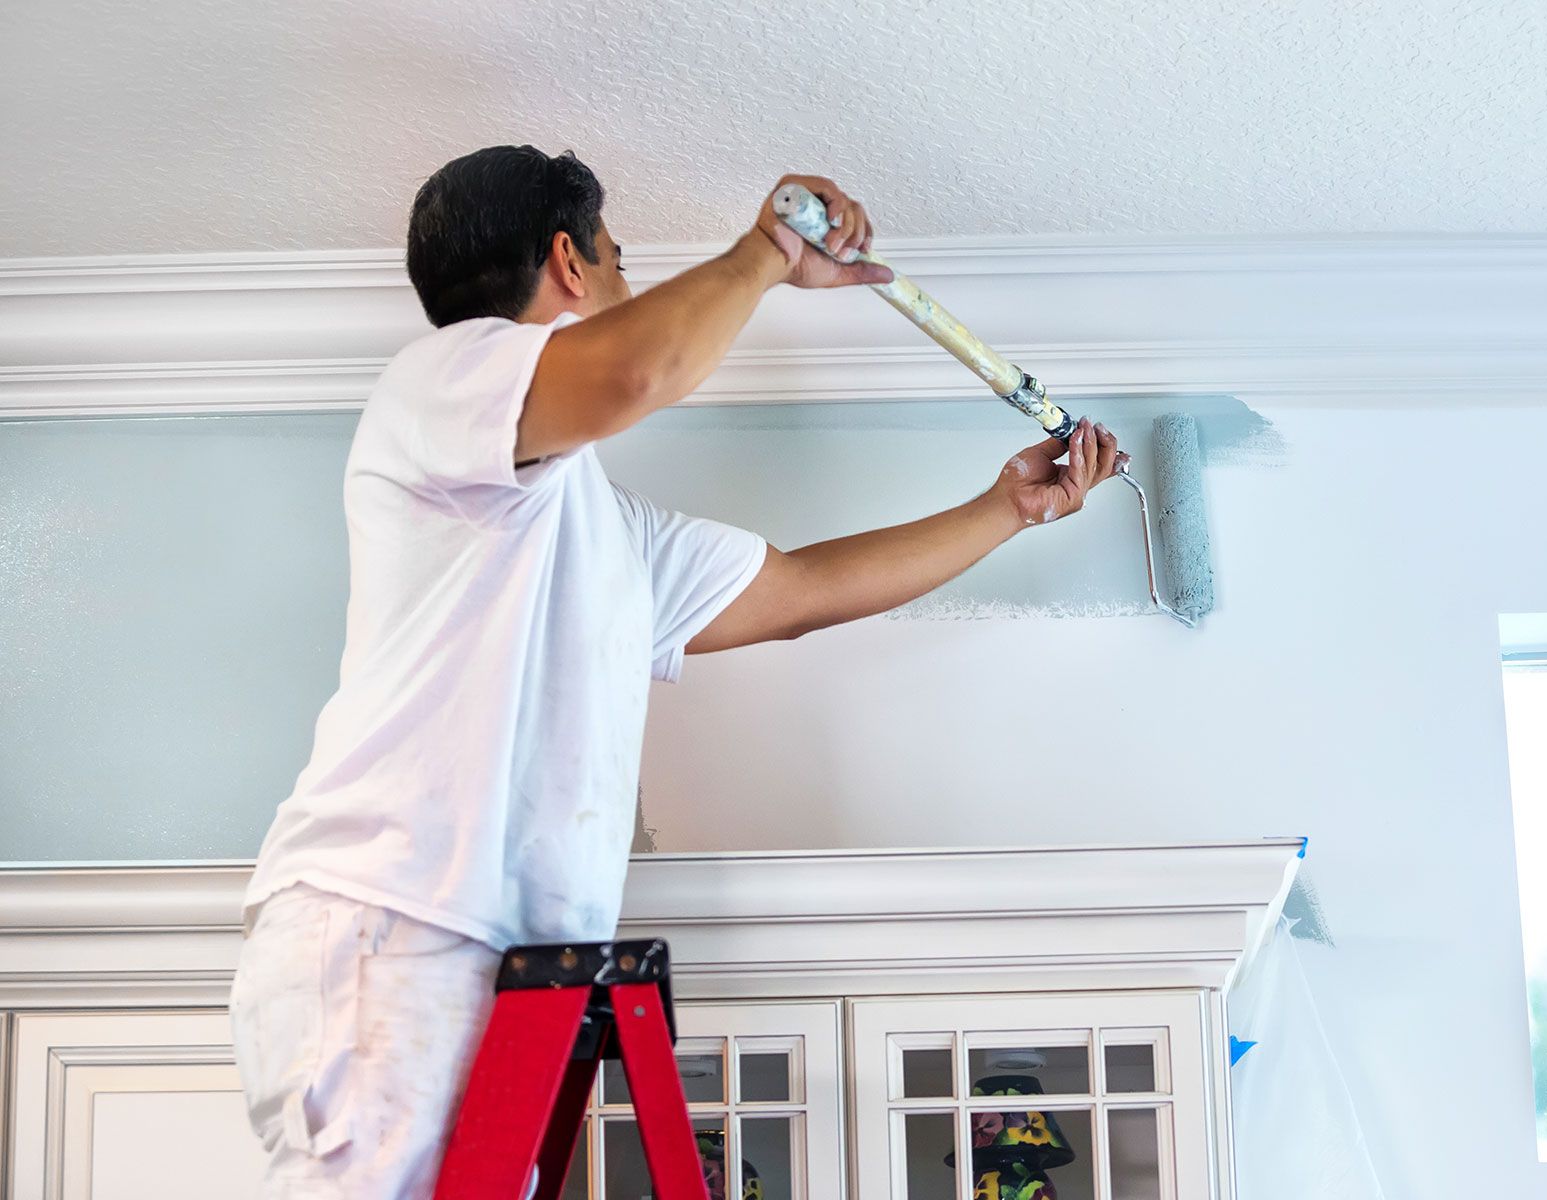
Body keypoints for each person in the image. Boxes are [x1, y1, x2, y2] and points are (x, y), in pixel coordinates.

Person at [228, 145, 1122, 1198]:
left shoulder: (601, 530)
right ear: (569, 262)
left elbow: (799, 591)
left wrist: (1008, 510)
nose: (626, 283)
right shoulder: (440, 382)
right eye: (618, 260)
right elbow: (634, 371)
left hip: (504, 965)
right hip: (395, 920)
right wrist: (766, 252)